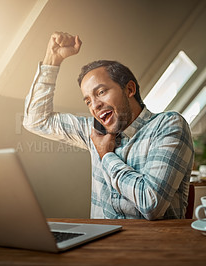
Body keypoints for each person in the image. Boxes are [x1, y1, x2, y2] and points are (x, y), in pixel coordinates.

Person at [23, 32, 194, 220]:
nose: (95, 105)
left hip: (151, 247)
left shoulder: (168, 125)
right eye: (88, 101)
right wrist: (52, 60)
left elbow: (150, 204)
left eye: (101, 92)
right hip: (100, 245)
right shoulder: (95, 131)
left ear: (129, 89)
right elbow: (36, 120)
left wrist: (106, 155)